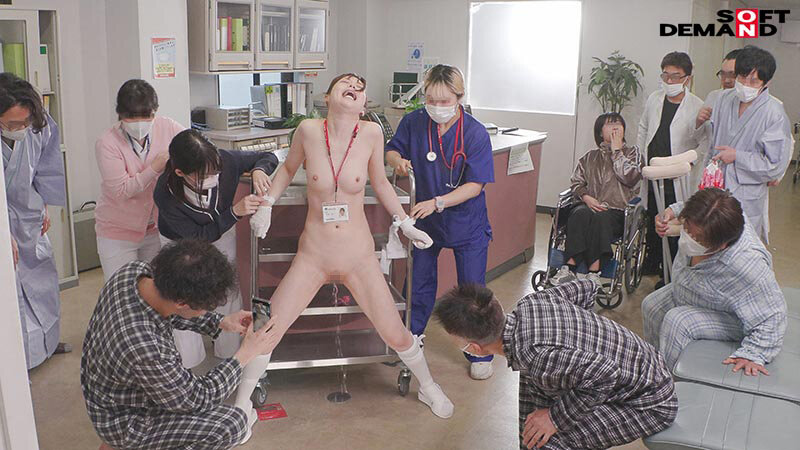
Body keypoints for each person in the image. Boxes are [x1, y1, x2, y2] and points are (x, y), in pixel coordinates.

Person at [246, 73, 453, 422]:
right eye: (347, 82)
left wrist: (404, 222)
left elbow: (381, 183)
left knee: (395, 331)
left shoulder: (371, 133)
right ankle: (241, 404)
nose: (355, 86)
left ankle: (429, 386)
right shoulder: (308, 131)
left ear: (364, 104)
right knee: (268, 329)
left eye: (360, 86)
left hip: (358, 256)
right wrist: (267, 203)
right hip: (313, 255)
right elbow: (287, 169)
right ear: (327, 97)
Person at [433, 280, 677, 450]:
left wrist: (555, 418)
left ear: (475, 348)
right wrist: (579, 337)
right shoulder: (531, 302)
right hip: (648, 365)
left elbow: (605, 374)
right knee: (531, 413)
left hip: (650, 402)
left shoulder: (536, 357)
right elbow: (587, 287)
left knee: (548, 442)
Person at [81, 239, 278, 449]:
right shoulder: (146, 348)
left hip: (110, 390)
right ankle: (123, 445)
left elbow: (171, 311)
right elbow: (196, 398)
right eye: (205, 307)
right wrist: (244, 355)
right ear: (182, 302)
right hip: (126, 421)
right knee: (232, 425)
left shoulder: (133, 273)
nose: (206, 310)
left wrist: (221, 322)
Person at [384, 64, 496, 380]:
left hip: (466, 222)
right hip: (426, 220)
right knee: (418, 281)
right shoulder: (415, 122)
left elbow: (475, 185)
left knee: (473, 292)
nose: (436, 107)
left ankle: (479, 350)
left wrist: (439, 202)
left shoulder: (474, 133)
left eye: (444, 101)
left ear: (459, 97)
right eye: (431, 100)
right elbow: (391, 149)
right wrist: (398, 161)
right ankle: (411, 339)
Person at [153, 129, 278, 368]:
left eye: (216, 172)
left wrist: (259, 170)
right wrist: (234, 212)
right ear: (180, 172)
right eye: (204, 175)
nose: (213, 177)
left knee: (228, 291)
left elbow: (268, 156)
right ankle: (188, 363)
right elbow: (198, 237)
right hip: (180, 241)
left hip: (222, 229)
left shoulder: (225, 160)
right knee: (182, 300)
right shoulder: (165, 193)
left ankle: (230, 354)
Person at [642, 188, 786, 372]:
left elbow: (773, 314)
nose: (687, 238)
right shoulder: (720, 213)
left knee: (677, 321)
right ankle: (652, 367)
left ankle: (667, 382)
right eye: (686, 229)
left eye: (696, 238)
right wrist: (675, 211)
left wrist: (754, 352)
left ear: (722, 245)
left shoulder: (746, 265)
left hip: (733, 316)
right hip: (697, 293)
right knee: (651, 305)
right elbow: (701, 208)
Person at [1, 72, 70, 369]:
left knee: (41, 280)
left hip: (29, 214)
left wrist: (44, 205)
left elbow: (47, 166)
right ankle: (16, 363)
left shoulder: (40, 124)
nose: (21, 128)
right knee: (10, 293)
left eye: (25, 122)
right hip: (3, 219)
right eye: (12, 124)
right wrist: (3, 234)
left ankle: (46, 343)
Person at [697, 45, 792, 243]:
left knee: (740, 246)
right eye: (741, 77)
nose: (745, 84)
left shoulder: (774, 113)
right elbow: (713, 143)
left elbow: (774, 165)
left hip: (745, 195)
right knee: (710, 244)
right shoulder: (723, 99)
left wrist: (737, 157)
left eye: (753, 81)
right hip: (715, 188)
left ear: (766, 82)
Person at [95, 79, 184, 280]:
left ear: (155, 111)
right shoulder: (107, 143)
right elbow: (121, 191)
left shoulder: (168, 127)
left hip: (156, 229)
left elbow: (194, 146)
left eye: (146, 116)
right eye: (132, 117)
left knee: (156, 287)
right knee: (124, 290)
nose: (139, 123)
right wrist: (154, 168)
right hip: (118, 232)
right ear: (120, 114)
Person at [637, 52, 706, 286]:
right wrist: (641, 156)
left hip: (678, 174)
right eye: (665, 75)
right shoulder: (654, 99)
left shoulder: (697, 105)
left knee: (673, 221)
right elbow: (643, 127)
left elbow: (703, 142)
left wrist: (690, 161)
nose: (669, 81)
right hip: (653, 169)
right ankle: (652, 260)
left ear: (687, 78)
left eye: (675, 76)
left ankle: (668, 272)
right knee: (652, 217)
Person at [550, 112, 642, 286]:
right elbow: (576, 183)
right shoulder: (590, 157)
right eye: (609, 124)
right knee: (579, 214)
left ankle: (594, 272)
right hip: (588, 206)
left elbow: (629, 177)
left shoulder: (633, 154)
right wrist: (586, 197)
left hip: (616, 211)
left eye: (618, 123)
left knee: (601, 217)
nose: (615, 127)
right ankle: (569, 268)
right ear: (600, 132)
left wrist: (616, 152)